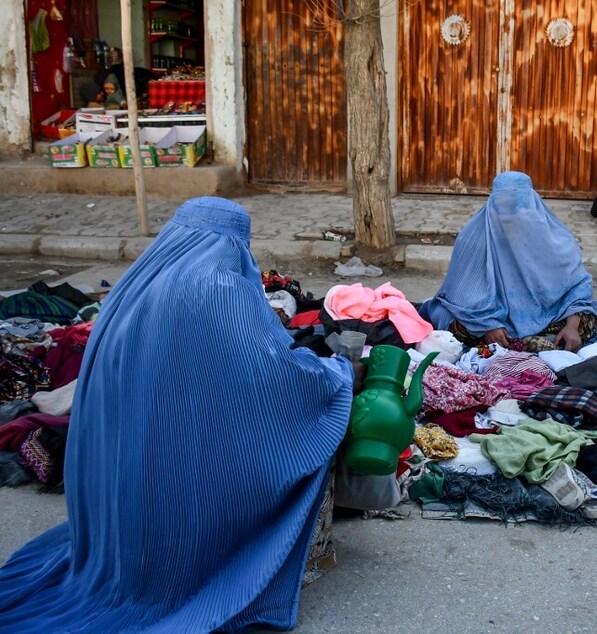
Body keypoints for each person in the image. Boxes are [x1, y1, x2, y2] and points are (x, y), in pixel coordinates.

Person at [0, 197, 361, 631]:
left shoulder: (137, 282)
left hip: (112, 497)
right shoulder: (218, 288)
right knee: (321, 416)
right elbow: (273, 374)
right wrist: (337, 373)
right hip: (167, 502)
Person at [419, 171, 597, 352]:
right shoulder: (472, 239)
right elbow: (458, 296)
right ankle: (535, 343)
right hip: (489, 321)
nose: (510, 214)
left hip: (548, 316)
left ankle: (534, 341)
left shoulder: (556, 240)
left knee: (586, 319)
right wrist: (487, 326)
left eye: (517, 205)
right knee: (452, 322)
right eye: (503, 206)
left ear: (532, 202)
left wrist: (572, 326)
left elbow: (577, 289)